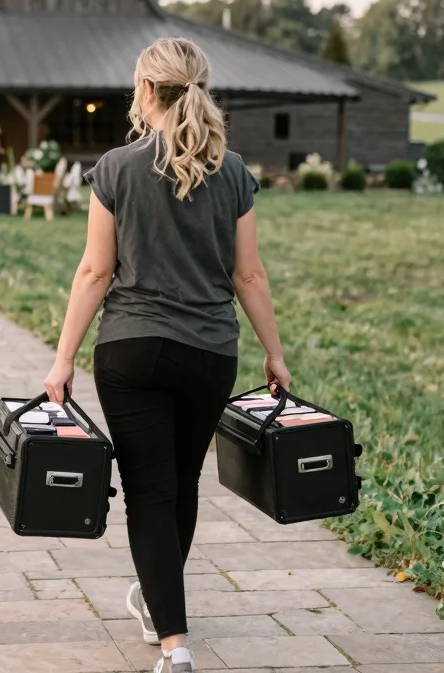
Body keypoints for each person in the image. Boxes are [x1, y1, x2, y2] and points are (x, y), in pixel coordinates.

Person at [42, 37, 290, 673]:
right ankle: (161, 611)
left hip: (131, 351)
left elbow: (96, 272)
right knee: (180, 487)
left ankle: (175, 646)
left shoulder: (117, 167)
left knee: (149, 493)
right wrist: (275, 355)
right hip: (209, 353)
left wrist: (62, 358)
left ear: (146, 90)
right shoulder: (232, 171)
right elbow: (250, 276)